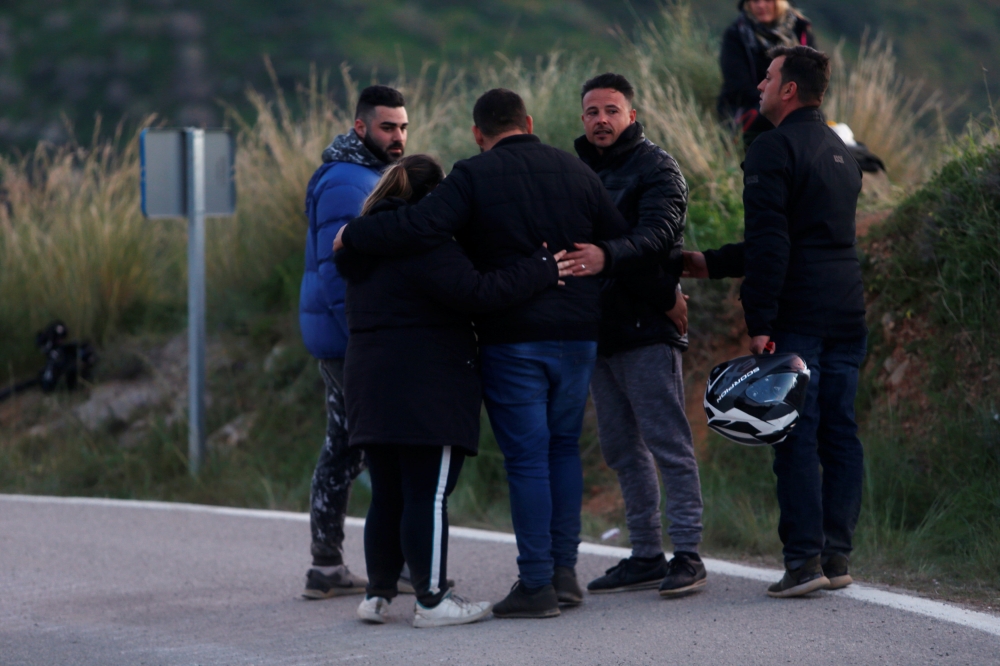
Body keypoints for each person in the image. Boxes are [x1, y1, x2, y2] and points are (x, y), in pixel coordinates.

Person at [334, 89, 630, 619]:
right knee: (563, 450)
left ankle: (537, 583)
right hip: (580, 335)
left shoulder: (473, 176)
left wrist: (354, 233)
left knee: (527, 458)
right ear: (530, 122)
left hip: (513, 337)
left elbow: (422, 227)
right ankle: (565, 573)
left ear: (478, 133)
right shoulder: (578, 171)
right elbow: (620, 243)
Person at [335, 154, 573, 627]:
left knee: (387, 492)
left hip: (367, 379)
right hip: (427, 383)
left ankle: (378, 594)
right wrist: (543, 267)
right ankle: (430, 599)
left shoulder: (358, 244)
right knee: (429, 492)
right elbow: (479, 292)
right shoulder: (426, 244)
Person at [685, 46, 867, 598]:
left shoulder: (772, 148)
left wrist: (760, 319)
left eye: (767, 77)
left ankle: (802, 562)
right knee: (841, 431)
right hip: (848, 309)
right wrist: (713, 263)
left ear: (789, 89)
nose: (759, 84)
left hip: (800, 313)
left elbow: (773, 244)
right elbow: (806, 234)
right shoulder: (840, 151)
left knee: (794, 434)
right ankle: (836, 556)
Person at [568, 73, 707, 598]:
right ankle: (647, 553)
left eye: (611, 110)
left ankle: (688, 554)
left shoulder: (657, 165)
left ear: (630, 114)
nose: (601, 120)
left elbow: (658, 236)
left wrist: (607, 256)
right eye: (592, 112)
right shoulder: (574, 169)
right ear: (581, 118)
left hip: (647, 326)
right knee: (621, 449)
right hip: (597, 330)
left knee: (668, 443)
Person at [298, 85, 408, 600]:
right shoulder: (346, 182)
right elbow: (337, 270)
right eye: (388, 127)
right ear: (361, 127)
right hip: (348, 340)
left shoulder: (364, 174)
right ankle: (394, 565)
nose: (399, 137)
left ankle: (327, 564)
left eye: (404, 127)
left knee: (345, 446)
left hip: (345, 337)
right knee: (372, 445)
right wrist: (361, 337)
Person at [718, 0, 815, 147]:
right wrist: (780, 100)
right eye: (755, 1)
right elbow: (738, 86)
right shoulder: (736, 35)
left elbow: (814, 76)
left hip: (794, 103)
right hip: (749, 108)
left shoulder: (801, 31)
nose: (761, 5)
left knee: (814, 119)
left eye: (768, 0)